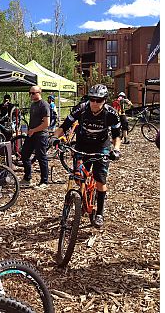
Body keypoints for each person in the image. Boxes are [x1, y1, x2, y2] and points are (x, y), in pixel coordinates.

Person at [52, 84, 122, 228]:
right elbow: (64, 126)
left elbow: (117, 135)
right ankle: (80, 201)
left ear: (105, 100)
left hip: (101, 147)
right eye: (92, 99)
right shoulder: (81, 109)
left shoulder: (111, 113)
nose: (95, 103)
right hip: (82, 145)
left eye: (99, 100)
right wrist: (54, 137)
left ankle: (100, 213)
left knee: (100, 180)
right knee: (78, 177)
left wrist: (116, 149)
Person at [20, 86, 50, 190]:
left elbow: (46, 124)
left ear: (39, 93)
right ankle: (27, 178)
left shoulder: (44, 105)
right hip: (32, 134)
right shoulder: (33, 105)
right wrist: (29, 130)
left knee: (41, 157)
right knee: (24, 154)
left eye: (33, 93)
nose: (31, 95)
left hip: (41, 135)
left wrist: (34, 130)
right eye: (30, 93)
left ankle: (44, 181)